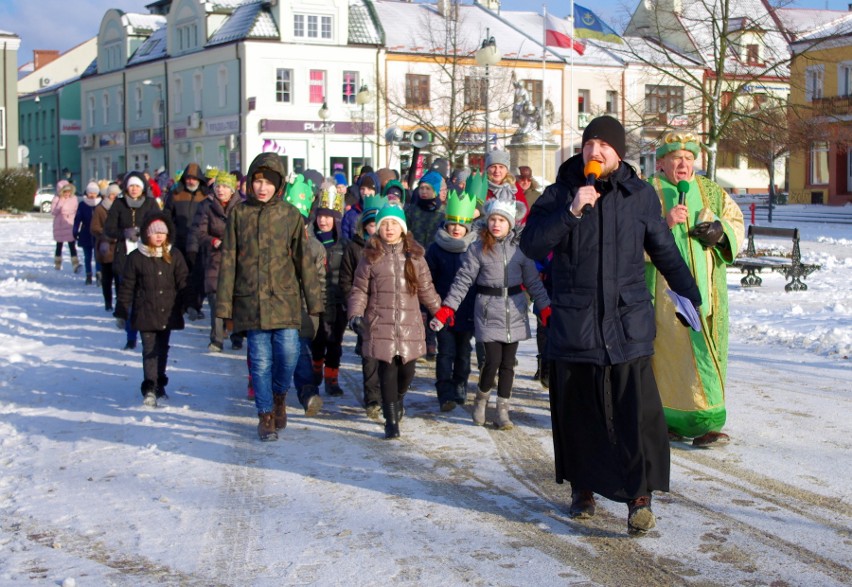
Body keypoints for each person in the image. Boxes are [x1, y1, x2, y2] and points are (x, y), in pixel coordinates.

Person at [519, 115, 702, 535]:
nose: (595, 152)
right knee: (580, 413)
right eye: (589, 145)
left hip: (626, 323)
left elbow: (665, 249)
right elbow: (531, 244)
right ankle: (583, 490)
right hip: (576, 324)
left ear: (618, 152)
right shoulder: (562, 191)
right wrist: (571, 211)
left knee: (636, 415)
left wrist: (689, 293)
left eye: (604, 146)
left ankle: (640, 499)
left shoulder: (639, 196)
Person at [215, 153, 323, 442]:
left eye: (268, 182)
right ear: (250, 183)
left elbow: (304, 261)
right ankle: (265, 416)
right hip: (251, 301)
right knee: (260, 361)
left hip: (285, 300)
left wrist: (315, 304)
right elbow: (228, 262)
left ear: (279, 185)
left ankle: (279, 397)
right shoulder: (239, 213)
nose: (262, 187)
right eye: (257, 181)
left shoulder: (289, 215)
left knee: (288, 354)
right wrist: (224, 309)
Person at [647, 132, 745, 447]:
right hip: (662, 297)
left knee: (706, 353)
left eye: (689, 158)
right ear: (661, 162)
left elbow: (736, 221)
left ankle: (709, 422)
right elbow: (625, 239)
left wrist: (720, 232)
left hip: (706, 295)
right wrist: (665, 224)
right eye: (677, 157)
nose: (684, 164)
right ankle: (666, 419)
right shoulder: (647, 193)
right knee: (666, 358)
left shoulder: (711, 192)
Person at [432, 193, 550, 429]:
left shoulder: (521, 250)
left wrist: (545, 306)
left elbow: (534, 282)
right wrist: (447, 308)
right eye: (493, 219)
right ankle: (481, 400)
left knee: (508, 364)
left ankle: (502, 410)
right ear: (487, 221)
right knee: (492, 361)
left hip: (515, 309)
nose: (497, 224)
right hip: (488, 309)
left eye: (502, 220)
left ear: (511, 224)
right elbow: (463, 281)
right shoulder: (477, 249)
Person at [347, 203, 441, 439]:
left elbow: (426, 289)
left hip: (409, 323)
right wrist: (355, 315)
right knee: (387, 370)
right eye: (384, 224)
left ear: (402, 228)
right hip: (380, 323)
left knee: (407, 371)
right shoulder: (370, 258)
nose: (389, 228)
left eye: (394, 224)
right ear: (378, 229)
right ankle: (391, 420)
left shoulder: (415, 257)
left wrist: (440, 312)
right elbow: (359, 290)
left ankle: (398, 399)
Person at [114, 212, 190, 407]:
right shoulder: (136, 257)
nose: (158, 237)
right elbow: (127, 286)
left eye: (162, 233)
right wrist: (122, 310)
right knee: (149, 350)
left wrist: (188, 303)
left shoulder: (174, 255)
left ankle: (159, 383)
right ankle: (149, 387)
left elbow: (183, 281)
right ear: (146, 234)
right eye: (154, 233)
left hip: (167, 311)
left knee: (162, 349)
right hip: (145, 311)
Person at [424, 190, 479, 412]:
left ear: (468, 227)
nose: (456, 228)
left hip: (467, 311)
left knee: (464, 353)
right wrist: (432, 307)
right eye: (452, 224)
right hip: (442, 310)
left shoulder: (474, 249)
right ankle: (444, 391)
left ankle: (460, 385)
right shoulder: (436, 249)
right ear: (446, 225)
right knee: (445, 352)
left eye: (461, 224)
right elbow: (427, 281)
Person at [188, 171, 244, 353]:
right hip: (215, 258)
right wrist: (214, 241)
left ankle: (237, 336)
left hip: (238, 258)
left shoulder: (242, 206)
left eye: (225, 187)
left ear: (232, 189)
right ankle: (217, 339)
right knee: (216, 299)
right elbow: (200, 232)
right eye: (218, 186)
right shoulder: (206, 206)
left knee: (237, 300)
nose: (221, 190)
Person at [340, 193, 384, 419]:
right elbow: (347, 280)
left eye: (379, 224)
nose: (374, 229)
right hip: (365, 310)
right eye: (371, 224)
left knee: (388, 357)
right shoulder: (354, 248)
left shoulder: (392, 250)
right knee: (370, 357)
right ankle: (372, 399)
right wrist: (355, 307)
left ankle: (389, 396)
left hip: (386, 310)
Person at [104, 172, 160, 350]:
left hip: (147, 255)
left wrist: (145, 234)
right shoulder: (119, 204)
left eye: (137, 186)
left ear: (142, 188)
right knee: (128, 298)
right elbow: (109, 228)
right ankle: (130, 336)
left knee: (145, 299)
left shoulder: (151, 204)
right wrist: (124, 233)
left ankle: (148, 337)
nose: (134, 189)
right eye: (131, 186)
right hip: (124, 257)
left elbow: (160, 225)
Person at [310, 183, 349, 397]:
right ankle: (316, 368)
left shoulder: (344, 246)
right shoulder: (308, 243)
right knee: (318, 341)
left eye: (328, 217)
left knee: (335, 342)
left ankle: (332, 378)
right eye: (320, 216)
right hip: (315, 301)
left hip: (337, 302)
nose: (323, 220)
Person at [164, 163, 208, 320]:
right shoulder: (175, 194)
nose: (191, 181)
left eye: (194, 178)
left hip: (199, 242)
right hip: (179, 240)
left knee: (199, 275)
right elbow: (167, 216)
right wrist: (170, 235)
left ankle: (196, 305)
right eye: (188, 178)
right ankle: (182, 304)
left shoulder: (206, 195)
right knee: (181, 275)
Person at [91, 183, 121, 311]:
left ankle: (120, 301)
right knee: (107, 278)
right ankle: (108, 302)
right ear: (108, 195)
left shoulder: (121, 208)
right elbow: (94, 228)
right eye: (112, 194)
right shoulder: (100, 209)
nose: (114, 197)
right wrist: (107, 234)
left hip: (120, 247)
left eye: (116, 194)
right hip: (106, 248)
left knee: (120, 278)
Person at [484, 150, 528, 224]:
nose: (497, 171)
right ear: (487, 169)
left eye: (501, 167)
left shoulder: (514, 188)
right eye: (493, 167)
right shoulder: (480, 187)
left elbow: (524, 215)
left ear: (506, 170)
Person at [74, 182, 101, 284]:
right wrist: (75, 231)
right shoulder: (82, 205)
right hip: (86, 232)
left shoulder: (100, 204)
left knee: (98, 256)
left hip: (98, 234)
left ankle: (99, 274)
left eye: (94, 192)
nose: (92, 195)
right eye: (90, 192)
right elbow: (77, 219)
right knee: (87, 256)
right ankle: (88, 274)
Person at [51, 180, 80, 272]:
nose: (67, 193)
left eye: (69, 191)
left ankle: (75, 264)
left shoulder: (74, 198)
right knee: (59, 244)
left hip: (69, 223)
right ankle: (57, 264)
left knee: (72, 244)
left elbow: (76, 210)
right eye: (65, 191)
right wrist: (61, 201)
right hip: (59, 225)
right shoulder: (56, 199)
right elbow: (54, 212)